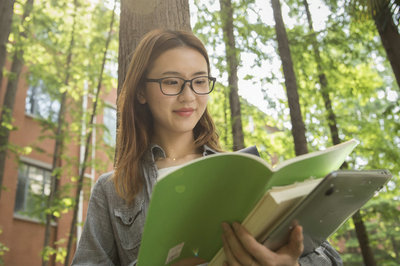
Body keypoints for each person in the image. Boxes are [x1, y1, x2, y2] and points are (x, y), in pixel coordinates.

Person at [72, 29, 342, 266]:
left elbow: (329, 258)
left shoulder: (245, 171)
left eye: (199, 81)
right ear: (141, 91)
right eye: (171, 82)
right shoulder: (113, 189)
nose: (188, 96)